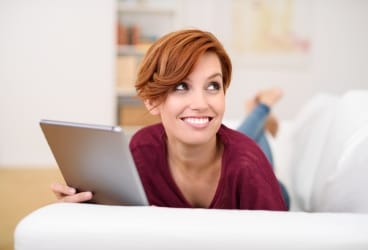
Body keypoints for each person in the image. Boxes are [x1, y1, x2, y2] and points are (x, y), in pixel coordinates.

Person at [51, 29, 287, 210]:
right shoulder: (142, 150)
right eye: (182, 86)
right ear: (152, 100)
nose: (201, 103)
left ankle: (261, 109)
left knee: (250, 145)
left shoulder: (249, 166)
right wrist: (84, 211)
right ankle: (260, 113)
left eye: (213, 86)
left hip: (272, 187)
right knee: (244, 138)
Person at [237, 88, 290, 209]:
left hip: (272, 194)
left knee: (228, 151)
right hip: (273, 192)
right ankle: (260, 113)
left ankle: (259, 113)